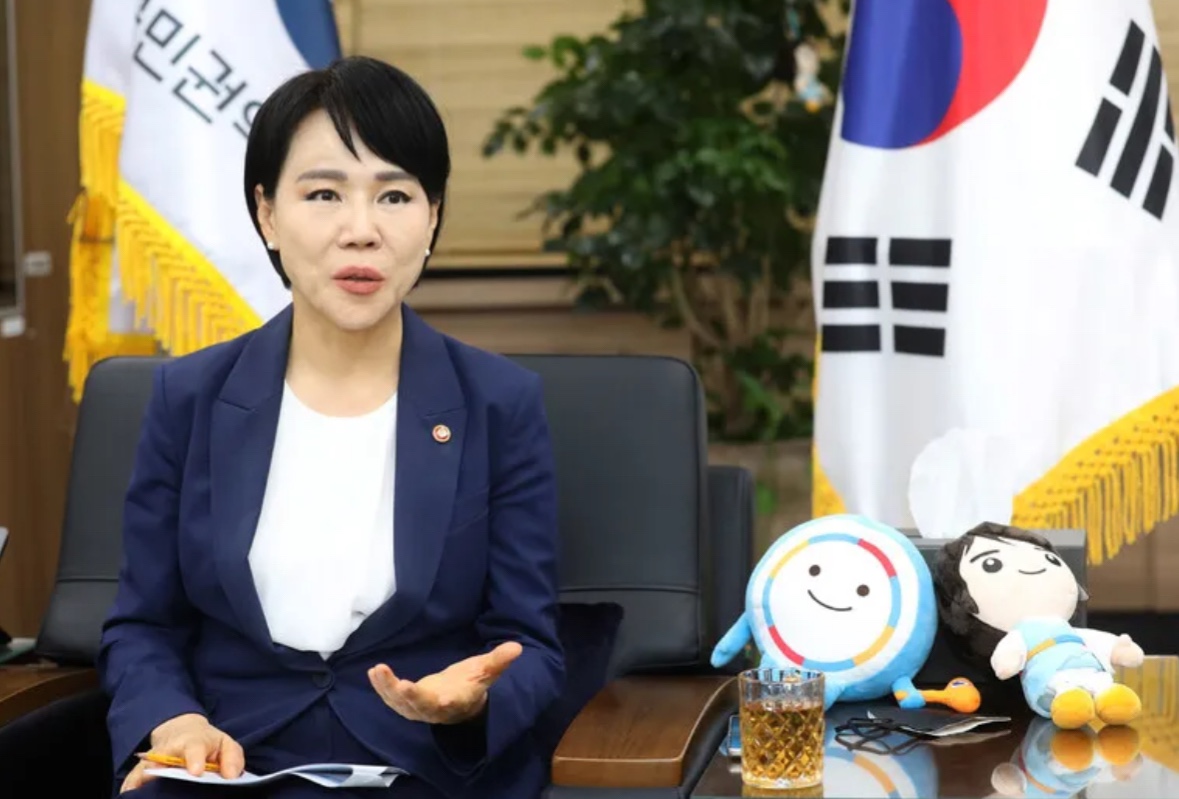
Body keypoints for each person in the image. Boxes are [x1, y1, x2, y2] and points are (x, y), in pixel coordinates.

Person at [97, 55, 565, 799]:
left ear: (432, 217)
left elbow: (532, 646)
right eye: (323, 194)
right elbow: (143, 625)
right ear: (267, 215)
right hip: (227, 765)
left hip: (423, 771)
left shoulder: (497, 403)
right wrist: (175, 721)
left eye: (394, 195)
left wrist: (471, 702)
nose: (361, 231)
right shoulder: (188, 398)